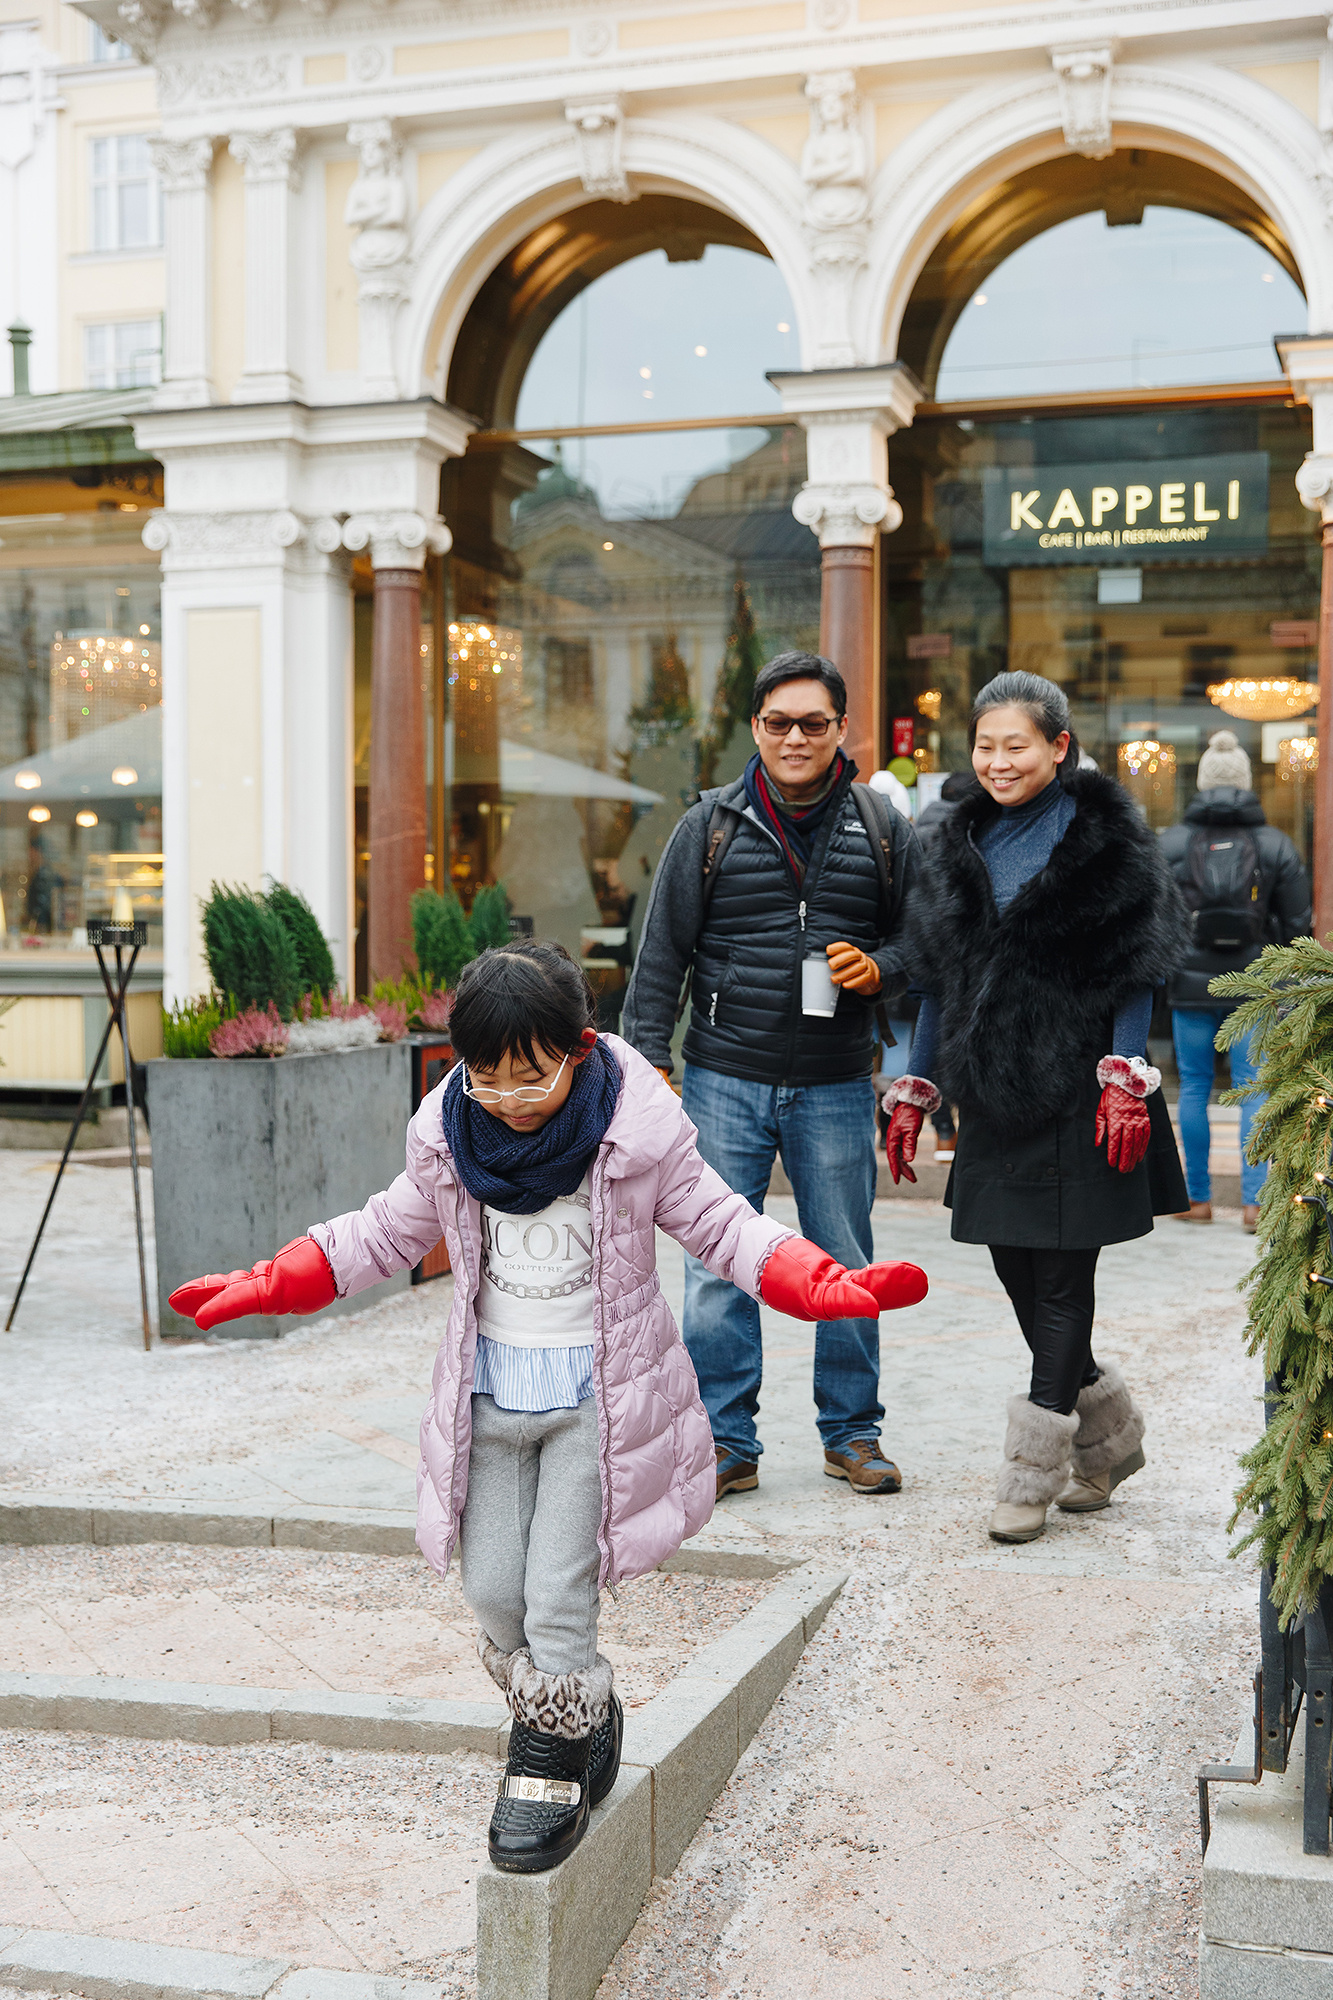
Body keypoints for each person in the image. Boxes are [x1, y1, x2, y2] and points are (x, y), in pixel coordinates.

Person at [168, 939, 927, 1871]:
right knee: (492, 1592)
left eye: (532, 1078)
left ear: (578, 1046)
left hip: (593, 1409)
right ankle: (584, 1709)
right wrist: (268, 1282)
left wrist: (818, 1283)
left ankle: (548, 1764)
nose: (512, 1101)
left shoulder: (636, 1137)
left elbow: (726, 1225)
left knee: (557, 1597)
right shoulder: (451, 1139)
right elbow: (377, 1233)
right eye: (488, 1080)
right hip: (489, 1399)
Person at [885, 672, 1188, 1545]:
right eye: (984, 745)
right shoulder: (951, 842)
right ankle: (1109, 1442)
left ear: (1058, 747)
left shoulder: (1110, 839)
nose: (997, 761)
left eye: (1015, 744)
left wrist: (1125, 1073)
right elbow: (939, 978)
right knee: (1016, 1272)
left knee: (1061, 1282)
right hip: (989, 1091)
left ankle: (1030, 1475)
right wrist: (916, 1084)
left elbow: (1142, 965)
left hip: (1087, 1094)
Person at [622, 651, 921, 1500]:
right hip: (724, 1077)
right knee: (718, 1261)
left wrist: (880, 969)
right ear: (755, 728)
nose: (795, 737)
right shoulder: (707, 825)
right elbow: (662, 955)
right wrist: (649, 1060)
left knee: (843, 1258)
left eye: (813, 723)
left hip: (833, 1081)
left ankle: (853, 1434)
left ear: (841, 729)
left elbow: (924, 944)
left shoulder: (882, 827)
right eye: (779, 722)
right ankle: (725, 1440)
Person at [1159, 728, 1310, 1234]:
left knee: (1196, 1088)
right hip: (1256, 991)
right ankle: (1253, 1205)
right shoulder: (1275, 844)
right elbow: (1296, 925)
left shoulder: (1174, 843)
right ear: (1247, 784)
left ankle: (1197, 1200)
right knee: (1252, 1090)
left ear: (1200, 784)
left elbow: (1153, 920)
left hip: (1189, 986)